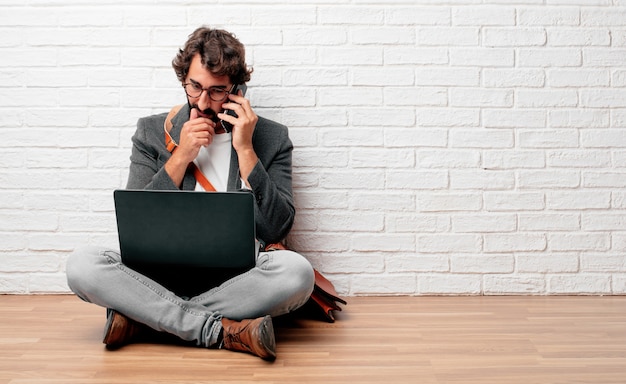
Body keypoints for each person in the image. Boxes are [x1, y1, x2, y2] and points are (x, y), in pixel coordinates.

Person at [66, 26, 315, 361]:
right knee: (82, 265)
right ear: (183, 76)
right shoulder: (153, 131)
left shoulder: (270, 137)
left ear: (237, 89)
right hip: (158, 274)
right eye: (194, 86)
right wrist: (181, 155)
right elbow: (138, 218)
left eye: (217, 92)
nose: (201, 100)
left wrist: (246, 151)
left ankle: (146, 320)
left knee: (297, 273)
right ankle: (219, 330)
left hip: (237, 279)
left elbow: (276, 228)